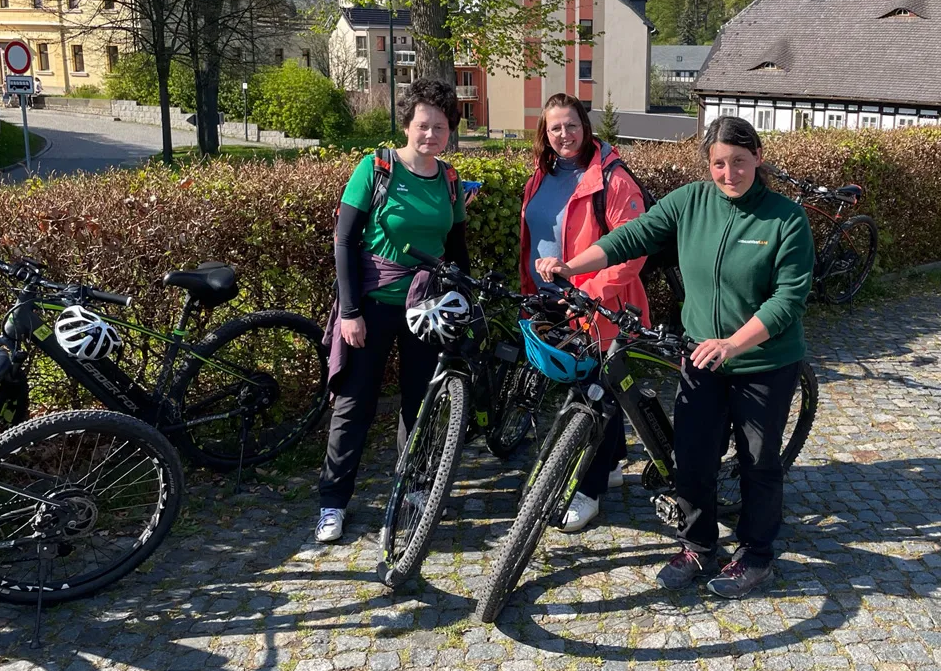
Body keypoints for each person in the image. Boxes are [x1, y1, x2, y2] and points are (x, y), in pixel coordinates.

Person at [537, 115, 814, 598]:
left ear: (758, 159)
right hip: (700, 357)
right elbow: (631, 237)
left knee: (758, 461)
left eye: (740, 162)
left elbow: (788, 300)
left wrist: (733, 343)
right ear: (708, 164)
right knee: (693, 457)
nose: (729, 173)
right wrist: (571, 267)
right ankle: (699, 546)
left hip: (763, 363)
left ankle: (756, 553)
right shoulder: (691, 202)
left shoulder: (786, 218)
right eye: (719, 164)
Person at [317, 79, 468, 543]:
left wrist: (458, 299)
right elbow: (344, 240)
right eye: (424, 125)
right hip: (373, 304)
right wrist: (350, 311)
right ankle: (332, 503)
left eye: (440, 128)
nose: (431, 135)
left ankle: (413, 489)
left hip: (426, 309)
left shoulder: (449, 179)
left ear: (449, 133)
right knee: (353, 405)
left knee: (418, 404)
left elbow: (458, 248)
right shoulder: (376, 167)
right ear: (407, 125)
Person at [520, 92, 650, 532]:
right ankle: (612, 461)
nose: (563, 134)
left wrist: (588, 290)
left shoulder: (611, 180)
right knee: (598, 390)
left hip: (599, 307)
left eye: (571, 125)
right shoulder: (541, 175)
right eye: (555, 127)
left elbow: (633, 250)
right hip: (552, 302)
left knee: (591, 398)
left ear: (585, 127)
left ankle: (589, 491)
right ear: (545, 132)